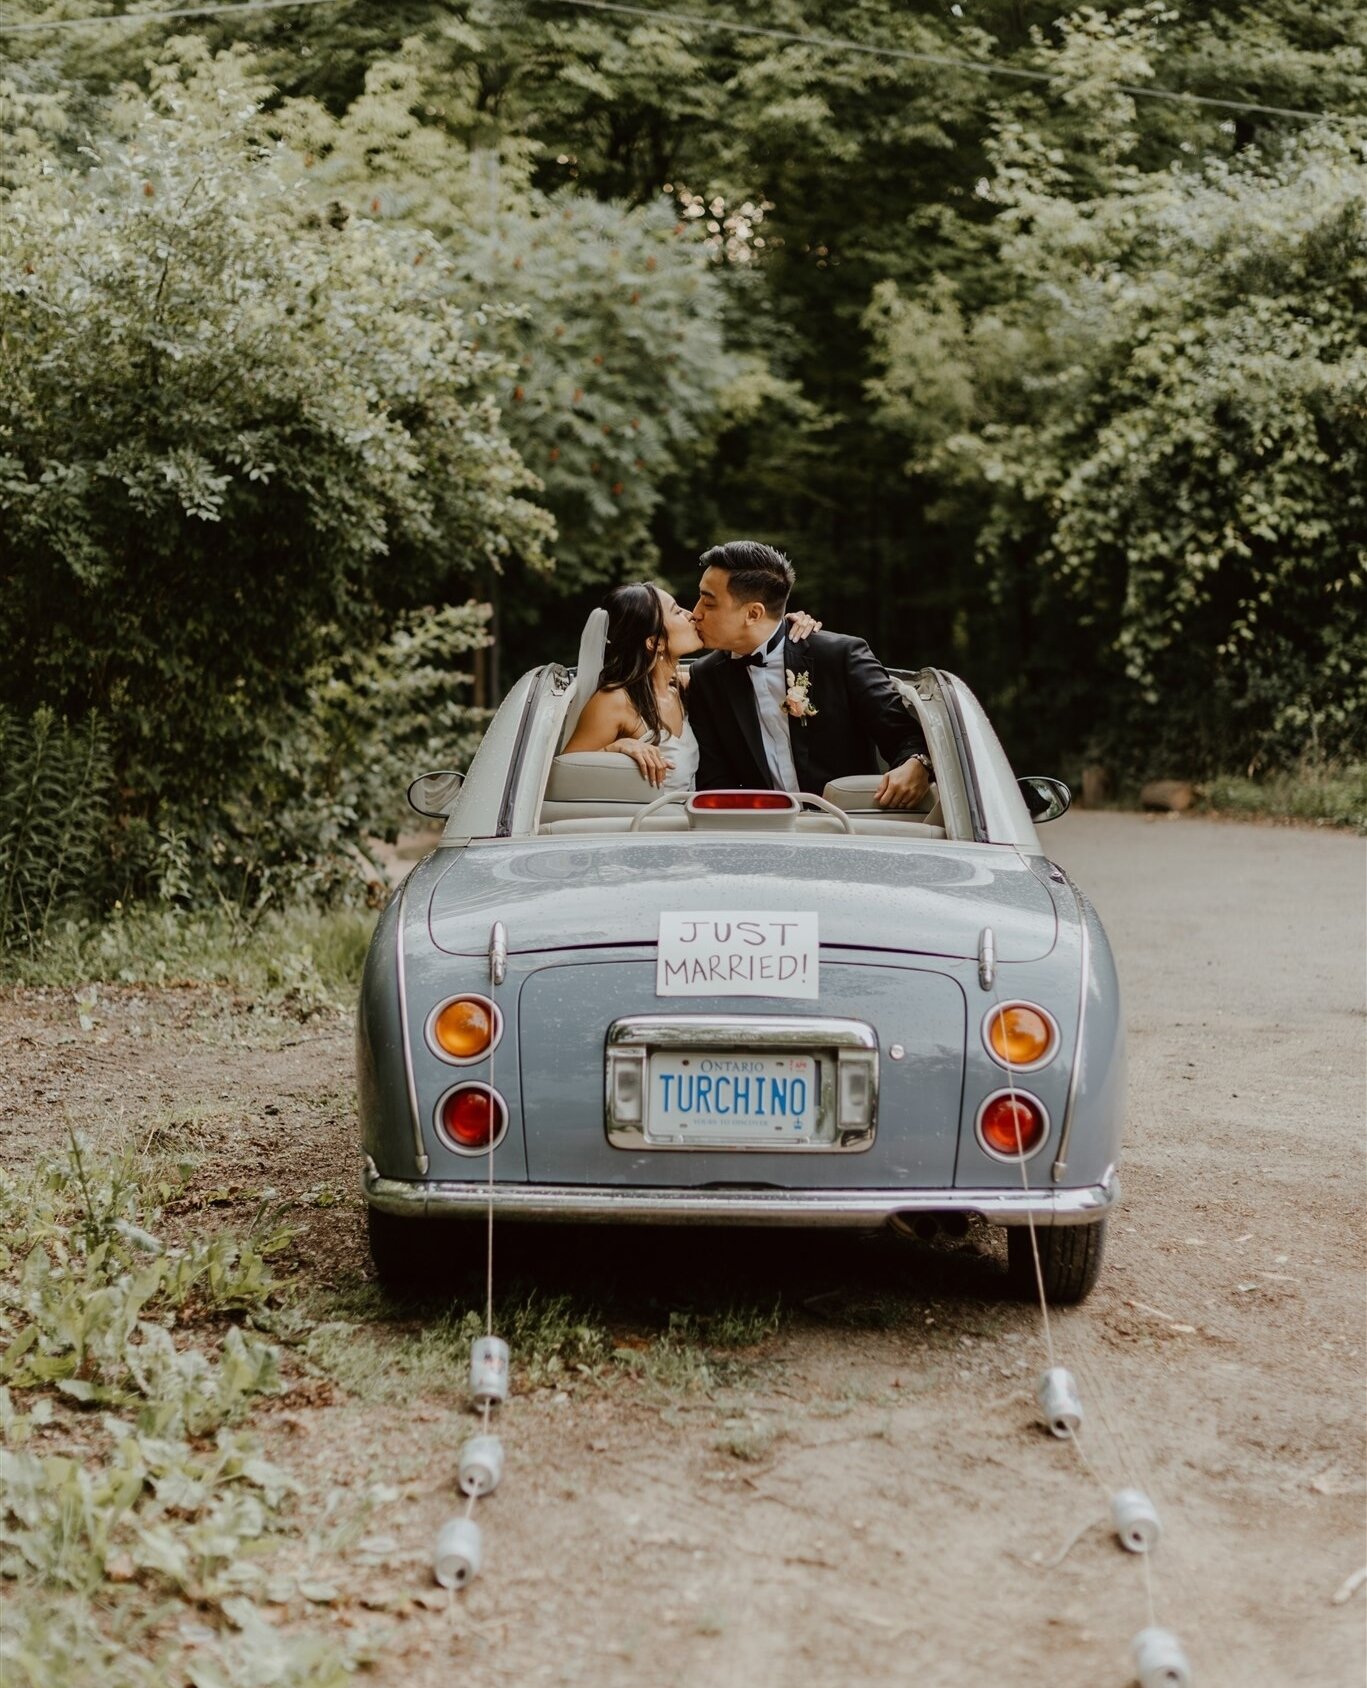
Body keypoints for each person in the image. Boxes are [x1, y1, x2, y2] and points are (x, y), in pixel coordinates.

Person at [687, 540, 932, 807]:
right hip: (759, 831)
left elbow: (905, 737)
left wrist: (917, 763)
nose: (695, 612)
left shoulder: (839, 657)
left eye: (709, 603)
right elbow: (714, 778)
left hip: (849, 828)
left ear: (753, 613)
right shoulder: (706, 677)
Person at [562, 582, 821, 790]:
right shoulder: (616, 701)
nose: (692, 614)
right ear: (655, 643)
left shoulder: (687, 688)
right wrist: (616, 747)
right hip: (640, 833)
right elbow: (561, 774)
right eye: (676, 611)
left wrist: (782, 629)